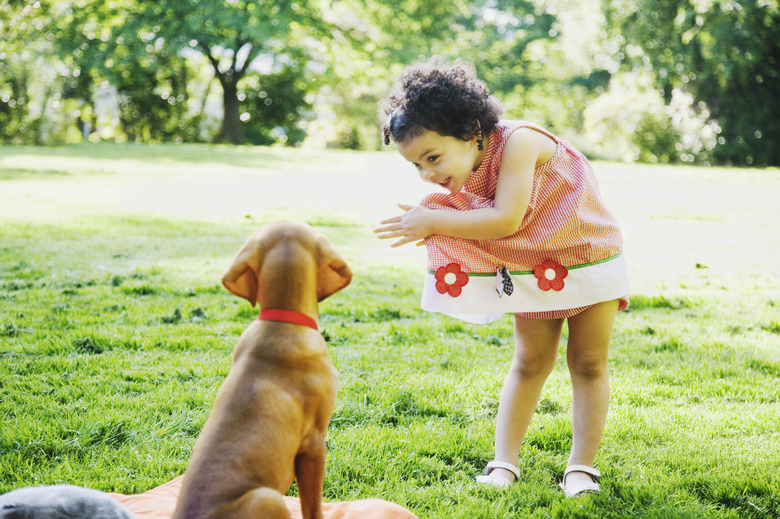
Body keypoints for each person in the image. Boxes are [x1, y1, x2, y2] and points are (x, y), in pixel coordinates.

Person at [374, 56, 629, 497]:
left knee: (588, 363)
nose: (428, 175)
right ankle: (504, 464)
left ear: (472, 131)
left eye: (432, 157)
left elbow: (505, 219)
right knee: (529, 360)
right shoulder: (467, 167)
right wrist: (435, 219)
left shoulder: (521, 141)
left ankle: (581, 468)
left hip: (589, 254)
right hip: (535, 263)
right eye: (417, 166)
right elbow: (491, 224)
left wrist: (433, 222)